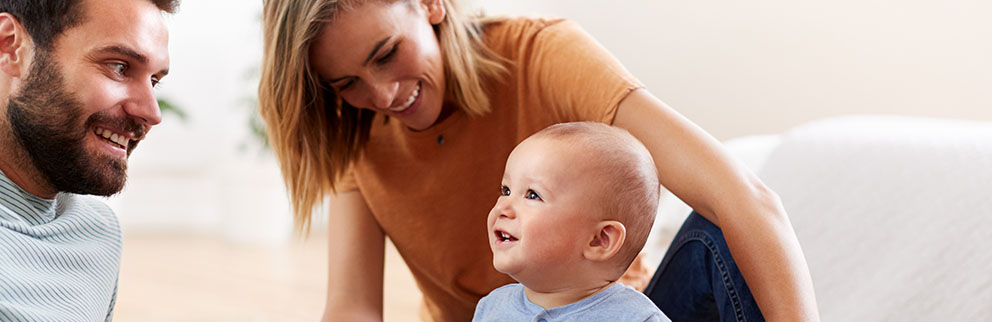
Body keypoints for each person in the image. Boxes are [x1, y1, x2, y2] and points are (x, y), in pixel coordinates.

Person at [258, 0, 821, 321]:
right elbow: (353, 307)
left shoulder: (541, 55)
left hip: (612, 309)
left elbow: (745, 201)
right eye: (347, 83)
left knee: (714, 234)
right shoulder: (351, 132)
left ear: (429, 4)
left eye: (387, 55)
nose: (382, 96)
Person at [0, 0, 177, 320]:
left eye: (153, 81)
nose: (152, 113)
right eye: (120, 67)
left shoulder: (98, 231)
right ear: (10, 47)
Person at [472, 122, 669, 322]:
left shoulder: (637, 319)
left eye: (533, 195)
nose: (502, 208)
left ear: (599, 240)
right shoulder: (492, 307)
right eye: (506, 191)